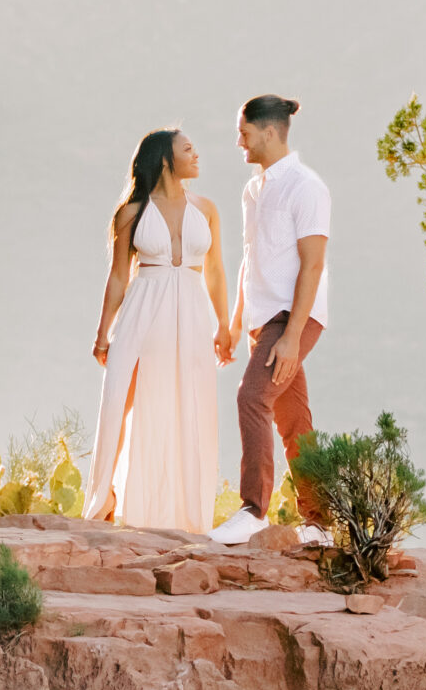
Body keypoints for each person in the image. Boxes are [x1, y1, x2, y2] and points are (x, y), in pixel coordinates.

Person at [86, 127, 235, 533]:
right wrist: (103, 333)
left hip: (189, 314)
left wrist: (224, 324)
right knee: (120, 398)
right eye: (188, 149)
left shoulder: (206, 209)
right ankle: (104, 497)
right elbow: (118, 277)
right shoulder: (131, 213)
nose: (197, 154)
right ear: (166, 159)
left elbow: (216, 271)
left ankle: (182, 514)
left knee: (187, 404)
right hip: (142, 311)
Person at [211, 94, 331, 546]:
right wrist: (238, 322)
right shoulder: (253, 190)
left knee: (251, 398)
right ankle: (319, 522)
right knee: (293, 419)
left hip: (293, 317)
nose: (238, 141)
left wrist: (293, 337)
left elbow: (313, 265)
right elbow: (249, 257)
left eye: (243, 132)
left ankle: (252, 511)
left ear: (269, 131)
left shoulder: (306, 187)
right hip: (265, 321)